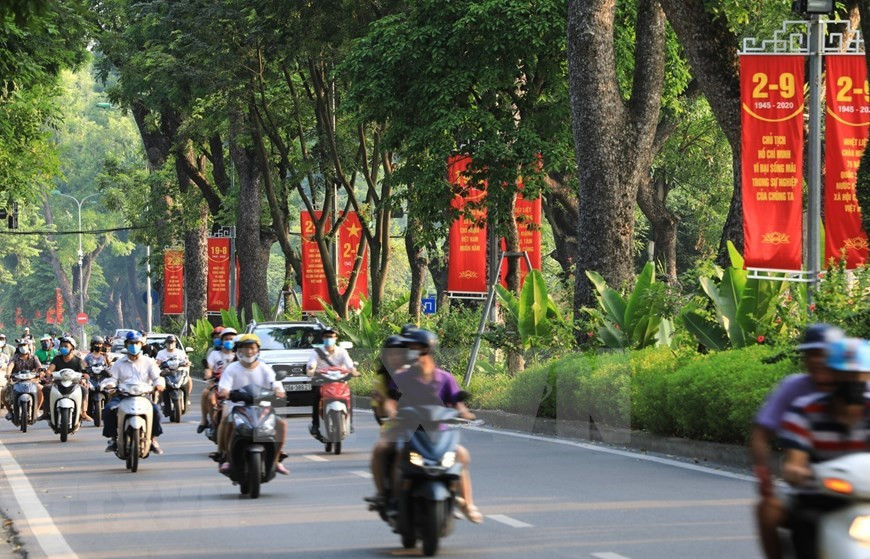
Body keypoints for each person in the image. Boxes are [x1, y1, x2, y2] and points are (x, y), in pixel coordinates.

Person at [750, 324, 844, 559]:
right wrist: (765, 475)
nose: (818, 360)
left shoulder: (859, 394)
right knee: (767, 511)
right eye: (812, 354)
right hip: (811, 489)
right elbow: (762, 434)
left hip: (858, 489)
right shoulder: (800, 405)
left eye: (824, 354)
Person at [376, 328, 483, 524]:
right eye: (409, 348)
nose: (412, 352)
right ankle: (394, 499)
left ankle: (467, 503)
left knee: (461, 455)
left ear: (428, 350)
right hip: (410, 432)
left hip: (440, 434)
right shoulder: (401, 377)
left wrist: (466, 414)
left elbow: (458, 403)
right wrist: (392, 412)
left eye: (417, 348)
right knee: (395, 453)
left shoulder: (446, 378)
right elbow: (391, 402)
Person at [778, 337, 870, 548]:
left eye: (860, 374)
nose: (854, 380)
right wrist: (796, 470)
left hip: (866, 499)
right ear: (832, 374)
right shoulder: (805, 411)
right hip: (820, 500)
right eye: (846, 374)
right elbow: (795, 461)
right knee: (804, 524)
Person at [215, 334, 289, 475]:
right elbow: (224, 388)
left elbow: (276, 385)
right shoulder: (232, 368)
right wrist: (225, 393)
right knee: (226, 421)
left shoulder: (265, 368)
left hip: (262, 406)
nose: (249, 351)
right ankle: (225, 456)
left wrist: (278, 391)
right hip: (236, 405)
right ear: (239, 350)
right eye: (245, 348)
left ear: (257, 350)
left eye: (252, 348)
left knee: (282, 424)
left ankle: (276, 459)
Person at [102, 331, 165, 454]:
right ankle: (113, 438)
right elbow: (112, 379)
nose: (134, 346)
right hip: (123, 396)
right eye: (131, 343)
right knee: (109, 409)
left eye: (137, 343)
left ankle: (153, 439)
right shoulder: (119, 363)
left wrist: (159, 385)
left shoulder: (149, 362)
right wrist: (110, 385)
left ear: (141, 344)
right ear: (126, 344)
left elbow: (157, 377)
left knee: (156, 411)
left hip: (144, 396)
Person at [306, 329, 357, 438]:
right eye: (327, 337)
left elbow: (349, 364)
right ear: (323, 338)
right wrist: (311, 370)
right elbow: (312, 364)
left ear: (336, 338)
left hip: (340, 381)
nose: (329, 339)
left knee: (350, 395)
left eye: (331, 337)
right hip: (322, 381)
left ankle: (350, 422)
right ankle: (315, 424)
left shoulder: (342, 351)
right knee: (316, 396)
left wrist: (353, 371)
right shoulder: (317, 352)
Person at [198, 327, 236, 433]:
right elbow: (209, 368)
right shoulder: (214, 353)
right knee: (209, 397)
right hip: (218, 383)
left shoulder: (238, 355)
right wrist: (208, 374)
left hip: (235, 384)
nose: (229, 341)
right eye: (226, 339)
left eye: (232, 339)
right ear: (222, 340)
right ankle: (210, 421)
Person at [46, 336, 91, 421]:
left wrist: (84, 379)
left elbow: (84, 373)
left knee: (84, 390)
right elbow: (49, 370)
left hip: (74, 384)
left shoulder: (78, 360)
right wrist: (49, 374)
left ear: (72, 348)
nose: (63, 348)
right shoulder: (57, 359)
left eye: (66, 346)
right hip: (58, 384)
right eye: (62, 346)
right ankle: (46, 412)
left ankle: (84, 413)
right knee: (46, 389)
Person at [3, 339, 43, 418]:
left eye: (24, 345)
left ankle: (37, 410)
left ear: (28, 346)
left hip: (32, 380)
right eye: (21, 346)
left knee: (41, 389)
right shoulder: (15, 357)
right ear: (18, 347)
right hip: (16, 380)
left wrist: (40, 372)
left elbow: (39, 367)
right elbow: (10, 366)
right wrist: (8, 374)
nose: (23, 347)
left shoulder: (34, 357)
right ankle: (10, 412)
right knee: (3, 390)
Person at [155, 334, 192, 408]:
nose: (170, 344)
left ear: (175, 343)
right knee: (159, 382)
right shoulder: (161, 353)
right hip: (166, 373)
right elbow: (158, 362)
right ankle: (162, 400)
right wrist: (157, 365)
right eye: (168, 342)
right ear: (166, 343)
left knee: (189, 379)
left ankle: (187, 396)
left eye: (172, 342)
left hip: (179, 372)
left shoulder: (180, 352)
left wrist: (187, 363)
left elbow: (186, 361)